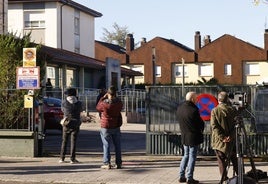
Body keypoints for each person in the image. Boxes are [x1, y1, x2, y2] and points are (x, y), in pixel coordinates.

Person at [177, 91, 205, 184]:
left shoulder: (180, 108)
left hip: (184, 136)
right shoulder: (194, 110)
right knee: (192, 156)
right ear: (192, 99)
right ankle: (189, 177)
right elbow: (200, 124)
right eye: (196, 98)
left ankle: (181, 176)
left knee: (185, 155)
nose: (197, 100)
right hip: (193, 136)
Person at [210, 91, 238, 182]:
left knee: (221, 161)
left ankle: (224, 179)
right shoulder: (233, 110)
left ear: (218, 100)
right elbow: (236, 126)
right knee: (235, 160)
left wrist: (222, 137)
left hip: (219, 142)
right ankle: (241, 177)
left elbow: (214, 126)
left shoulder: (215, 110)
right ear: (227, 100)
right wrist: (230, 136)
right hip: (232, 140)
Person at [96, 86, 123, 169]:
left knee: (106, 145)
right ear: (115, 93)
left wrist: (102, 98)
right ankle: (118, 163)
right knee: (117, 145)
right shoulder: (119, 103)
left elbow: (97, 107)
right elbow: (120, 106)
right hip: (116, 125)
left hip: (106, 126)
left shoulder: (104, 104)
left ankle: (107, 163)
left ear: (108, 93)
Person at [59, 88, 82, 164]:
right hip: (75, 123)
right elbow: (80, 110)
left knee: (64, 141)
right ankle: (72, 158)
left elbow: (62, 110)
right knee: (73, 142)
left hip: (66, 123)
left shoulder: (64, 102)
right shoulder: (78, 103)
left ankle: (62, 158)